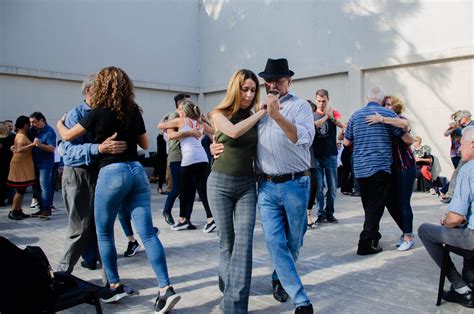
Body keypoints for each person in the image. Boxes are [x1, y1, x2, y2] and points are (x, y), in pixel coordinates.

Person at [57, 66, 180, 312]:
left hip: (112, 173)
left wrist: (60, 123)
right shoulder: (133, 110)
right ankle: (165, 288)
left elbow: (68, 136)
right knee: (147, 233)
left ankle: (113, 285)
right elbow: (144, 143)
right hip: (137, 172)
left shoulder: (96, 113)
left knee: (104, 233)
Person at [212, 58, 315, 313]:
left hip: (296, 184)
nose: (272, 85)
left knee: (294, 241)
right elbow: (232, 133)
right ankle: (300, 298)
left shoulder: (300, 107)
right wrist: (215, 147)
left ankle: (279, 278)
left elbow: (301, 138)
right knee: (274, 242)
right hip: (265, 186)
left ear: (289, 81)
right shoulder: (256, 110)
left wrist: (276, 114)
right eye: (268, 81)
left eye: (279, 80)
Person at [56, 73, 129, 273]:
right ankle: (60, 275)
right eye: (101, 87)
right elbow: (68, 151)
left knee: (100, 227)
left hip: (100, 173)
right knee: (79, 229)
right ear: (89, 90)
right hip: (78, 174)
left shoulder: (105, 113)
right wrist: (98, 149)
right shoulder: (76, 114)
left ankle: (107, 277)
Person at [207, 69, 265, 312]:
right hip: (219, 183)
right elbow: (231, 132)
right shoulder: (218, 113)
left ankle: (235, 307)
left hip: (246, 186)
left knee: (244, 244)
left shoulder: (254, 115)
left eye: (253, 90)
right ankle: (227, 294)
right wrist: (260, 113)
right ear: (235, 88)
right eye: (245, 89)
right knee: (227, 243)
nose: (250, 94)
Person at [344, 86, 413, 255]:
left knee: (370, 206)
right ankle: (365, 243)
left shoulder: (355, 115)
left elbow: (346, 143)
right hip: (380, 167)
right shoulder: (388, 115)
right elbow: (406, 139)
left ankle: (375, 235)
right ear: (382, 101)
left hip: (360, 169)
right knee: (376, 207)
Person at [418, 125, 474, 308]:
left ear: (472, 145)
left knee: (425, 230)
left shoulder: (468, 170)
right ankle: (470, 282)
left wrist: (446, 220)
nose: (459, 148)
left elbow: (456, 217)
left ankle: (461, 289)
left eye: (461, 144)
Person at [366, 95, 416, 251]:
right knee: (390, 202)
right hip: (390, 169)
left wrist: (381, 119)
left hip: (405, 166)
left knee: (403, 202)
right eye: (384, 104)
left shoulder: (396, 119)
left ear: (396, 107)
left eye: (390, 105)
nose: (387, 107)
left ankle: (408, 236)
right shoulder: (383, 121)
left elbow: (406, 126)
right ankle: (406, 231)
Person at [159, 101, 216, 233]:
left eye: (180, 111)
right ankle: (211, 219)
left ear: (183, 112)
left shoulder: (181, 121)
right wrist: (205, 120)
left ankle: (182, 220)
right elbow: (214, 130)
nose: (178, 112)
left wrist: (166, 117)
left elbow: (160, 126)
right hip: (202, 158)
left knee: (184, 191)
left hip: (189, 159)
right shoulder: (199, 124)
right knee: (203, 191)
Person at [159, 93, 200, 227]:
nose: (191, 105)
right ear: (180, 104)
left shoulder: (189, 117)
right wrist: (190, 133)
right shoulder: (174, 116)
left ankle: (186, 218)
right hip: (177, 156)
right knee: (178, 187)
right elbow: (170, 135)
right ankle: (166, 211)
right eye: (187, 103)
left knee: (191, 188)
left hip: (190, 156)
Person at [312, 89, 346, 224]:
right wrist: (325, 117)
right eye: (319, 101)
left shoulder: (334, 113)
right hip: (316, 156)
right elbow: (312, 126)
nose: (321, 104)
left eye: (323, 101)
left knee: (332, 187)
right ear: (316, 100)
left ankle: (330, 212)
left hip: (330, 155)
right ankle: (321, 213)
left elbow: (343, 125)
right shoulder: (312, 114)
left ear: (328, 100)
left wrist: (331, 116)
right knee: (319, 187)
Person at [6, 116, 36, 219]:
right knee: (19, 190)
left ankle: (18, 210)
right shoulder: (21, 136)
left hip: (23, 163)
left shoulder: (21, 134)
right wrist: (33, 144)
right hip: (19, 164)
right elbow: (19, 149)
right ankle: (13, 211)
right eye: (28, 124)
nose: (29, 126)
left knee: (22, 190)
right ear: (24, 125)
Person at [442, 110, 474, 204]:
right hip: (461, 154)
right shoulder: (461, 127)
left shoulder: (470, 126)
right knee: (458, 173)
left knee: (460, 173)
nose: (458, 121)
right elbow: (446, 133)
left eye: (459, 120)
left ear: (465, 118)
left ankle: (450, 194)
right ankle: (451, 194)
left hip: (469, 154)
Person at [29, 111, 56, 218]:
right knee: (35, 186)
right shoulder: (34, 131)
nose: (32, 124)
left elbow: (52, 148)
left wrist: (39, 145)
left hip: (45, 163)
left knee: (44, 185)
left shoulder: (49, 132)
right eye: (31, 122)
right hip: (34, 162)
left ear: (41, 120)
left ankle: (46, 209)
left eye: (34, 122)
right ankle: (41, 208)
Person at [0, 122, 15, 207]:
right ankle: (8, 197)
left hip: (5, 162)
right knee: (7, 181)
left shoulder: (10, 137)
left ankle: (3, 199)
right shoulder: (10, 137)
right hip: (7, 162)